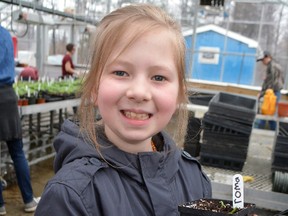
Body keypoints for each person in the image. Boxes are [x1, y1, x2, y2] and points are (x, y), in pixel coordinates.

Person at [35, 4, 212, 215]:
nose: (139, 92)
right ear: (93, 87)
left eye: (158, 77)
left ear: (179, 95)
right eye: (120, 72)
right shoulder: (70, 197)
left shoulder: (193, 176)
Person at [0, 25, 38, 215]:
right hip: (8, 96)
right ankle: (29, 201)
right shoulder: (6, 34)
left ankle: (0, 205)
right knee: (17, 152)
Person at [256, 50, 285, 130]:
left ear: (267, 57)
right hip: (273, 92)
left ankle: (260, 131)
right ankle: (272, 132)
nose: (262, 62)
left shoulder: (272, 66)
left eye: (262, 60)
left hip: (272, 93)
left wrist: (262, 93)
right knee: (270, 113)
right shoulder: (274, 65)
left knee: (267, 112)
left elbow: (271, 83)